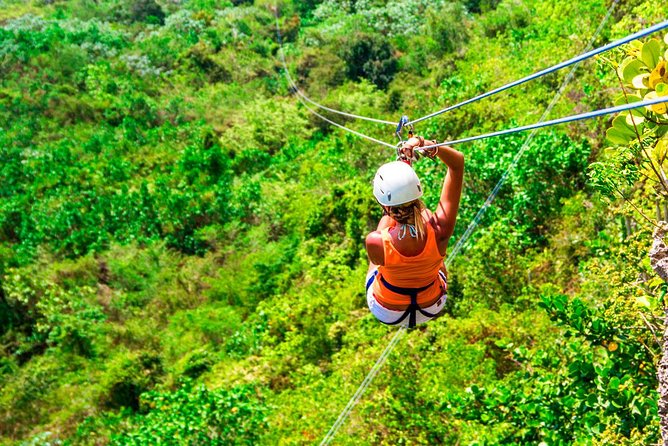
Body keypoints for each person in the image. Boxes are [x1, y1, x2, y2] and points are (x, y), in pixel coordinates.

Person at [365, 136, 464, 328]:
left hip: (388, 310)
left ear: (383, 204)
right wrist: (427, 145)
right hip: (431, 304)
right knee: (428, 226)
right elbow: (457, 163)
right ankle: (430, 263)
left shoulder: (375, 240)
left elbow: (389, 223)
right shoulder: (439, 228)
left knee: (378, 259)